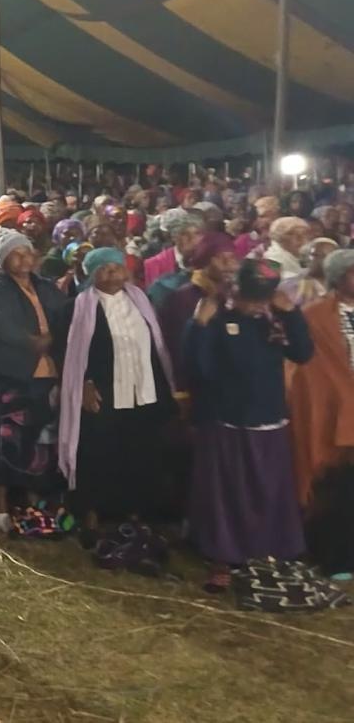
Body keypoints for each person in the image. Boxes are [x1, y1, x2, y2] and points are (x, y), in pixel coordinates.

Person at [186, 261, 313, 592]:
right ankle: (223, 556)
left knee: (270, 488)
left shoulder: (274, 319)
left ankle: (272, 548)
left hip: (269, 418)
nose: (258, 303)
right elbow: (197, 369)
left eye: (264, 297)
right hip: (229, 420)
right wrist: (199, 325)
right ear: (237, 291)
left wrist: (292, 314)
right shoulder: (219, 321)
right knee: (228, 492)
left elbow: (303, 353)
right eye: (253, 296)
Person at [56, 248, 177, 541]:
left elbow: (156, 348)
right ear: (91, 274)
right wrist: (82, 384)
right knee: (98, 453)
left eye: (116, 267)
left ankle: (134, 514)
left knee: (139, 452)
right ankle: (92, 515)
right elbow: (66, 352)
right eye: (103, 269)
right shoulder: (76, 308)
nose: (112, 274)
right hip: (103, 393)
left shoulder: (141, 302)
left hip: (142, 390)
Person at [0, 228, 69, 530]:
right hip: (12, 375)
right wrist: (31, 341)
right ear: (4, 261)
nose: (24, 258)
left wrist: (55, 340)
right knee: (5, 443)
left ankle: (33, 507)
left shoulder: (45, 286)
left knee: (40, 442)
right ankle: (2, 509)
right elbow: (1, 324)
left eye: (27, 251)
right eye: (16, 253)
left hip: (47, 374)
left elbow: (65, 314)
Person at [288, 249, 354, 575]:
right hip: (335, 416)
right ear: (338, 278)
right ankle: (337, 558)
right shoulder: (315, 316)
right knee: (339, 492)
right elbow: (309, 371)